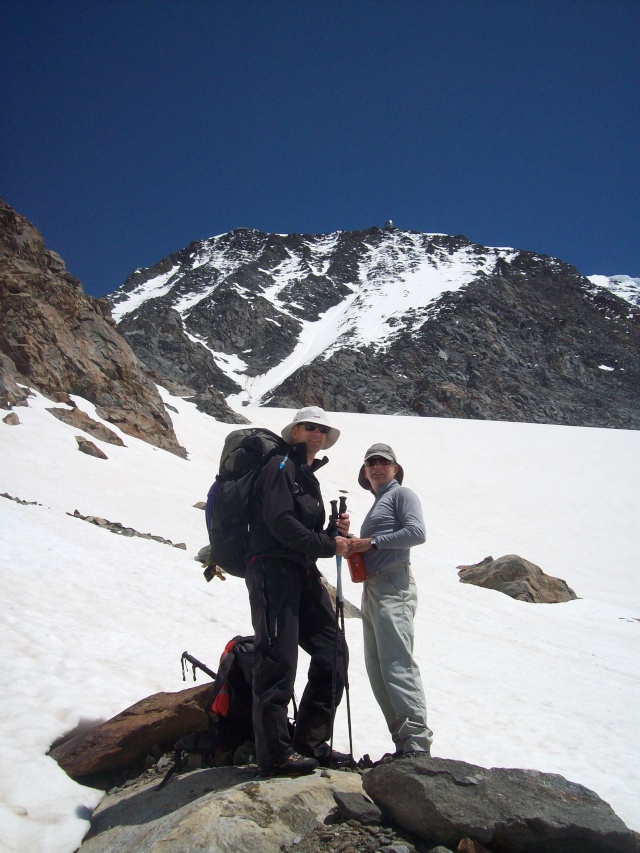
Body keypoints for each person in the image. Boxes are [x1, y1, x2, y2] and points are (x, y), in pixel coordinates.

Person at [245, 406, 351, 776]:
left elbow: (302, 529)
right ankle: (274, 753)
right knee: (278, 658)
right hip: (273, 571)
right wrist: (327, 545)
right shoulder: (278, 466)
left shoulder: (306, 475)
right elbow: (279, 523)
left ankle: (311, 743)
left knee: (332, 651)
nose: (317, 433)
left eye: (322, 429)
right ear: (294, 432)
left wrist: (331, 536)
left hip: (301, 572)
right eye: (309, 427)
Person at [346, 443, 433, 759]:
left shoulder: (402, 495)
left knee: (396, 663)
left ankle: (417, 744)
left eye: (383, 462)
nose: (376, 467)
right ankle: (403, 743)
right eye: (370, 463)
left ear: (395, 469)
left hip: (393, 586)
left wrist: (372, 542)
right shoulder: (379, 502)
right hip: (373, 590)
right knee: (378, 668)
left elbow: (417, 533)